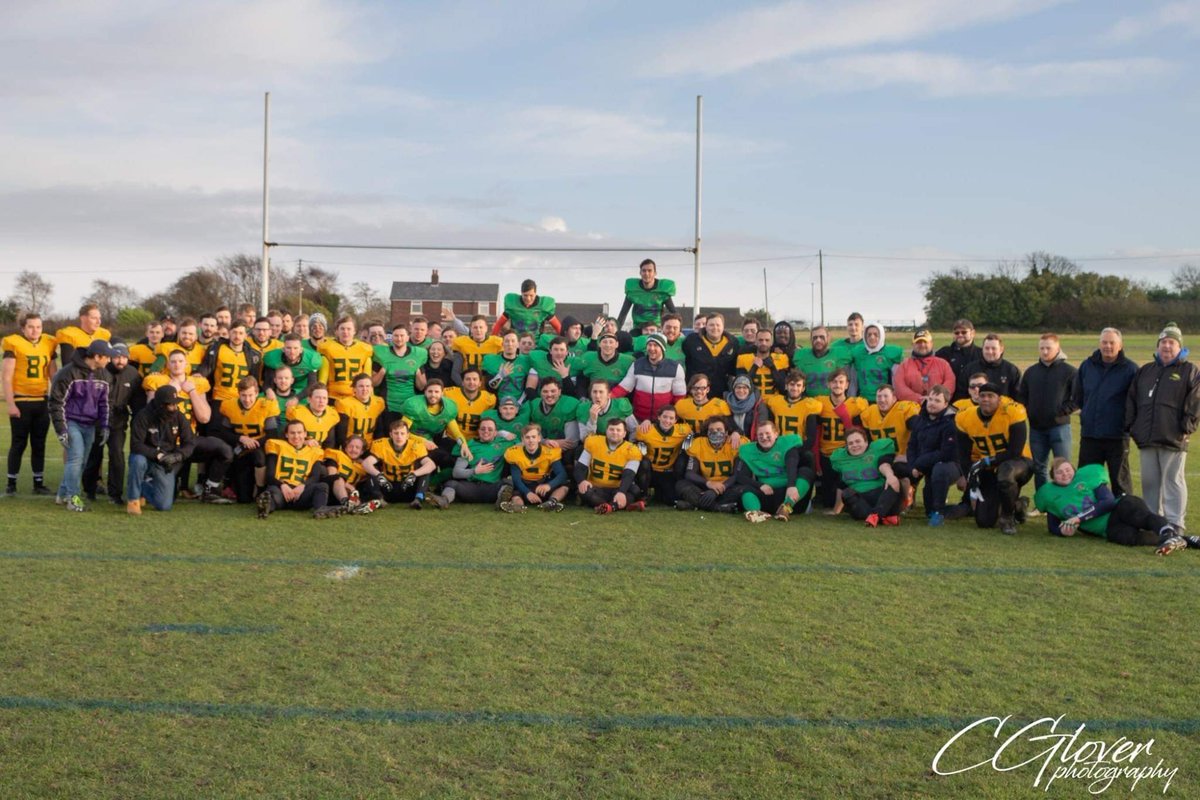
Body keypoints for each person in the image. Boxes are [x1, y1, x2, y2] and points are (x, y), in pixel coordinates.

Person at [1125, 322, 1200, 532]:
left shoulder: (1189, 370)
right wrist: (1132, 426)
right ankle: (1154, 522)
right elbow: (1132, 399)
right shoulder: (1146, 371)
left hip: (1173, 437)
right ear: (1158, 345)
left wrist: (1187, 427)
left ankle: (1175, 523)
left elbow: (1196, 401)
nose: (1167, 346)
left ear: (1179, 347)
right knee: (1150, 483)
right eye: (1164, 342)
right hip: (1147, 437)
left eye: (1172, 343)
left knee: (1173, 482)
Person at [1035, 459, 1195, 555]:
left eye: (1067, 470)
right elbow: (1052, 525)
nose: (1065, 474)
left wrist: (1079, 518)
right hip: (1107, 529)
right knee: (1131, 538)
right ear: (1053, 477)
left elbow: (1108, 501)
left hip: (1119, 508)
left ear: (1074, 471)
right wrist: (1061, 532)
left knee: (1140, 516)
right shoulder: (1050, 496)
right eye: (1059, 472)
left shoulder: (1087, 478)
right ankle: (1183, 540)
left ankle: (1167, 533)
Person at [953, 383, 1034, 535]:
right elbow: (963, 455)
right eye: (983, 396)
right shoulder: (965, 417)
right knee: (984, 521)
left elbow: (1014, 451)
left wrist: (986, 461)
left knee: (1006, 471)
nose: (986, 399)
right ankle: (1017, 505)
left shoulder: (1012, 412)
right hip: (989, 469)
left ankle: (1007, 518)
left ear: (999, 399)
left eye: (991, 396)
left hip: (1020, 463)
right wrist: (971, 479)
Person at [48, 339, 112, 511]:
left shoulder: (104, 375)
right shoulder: (67, 373)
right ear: (97, 357)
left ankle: (62, 494)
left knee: (82, 462)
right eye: (107, 357)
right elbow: (56, 402)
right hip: (71, 421)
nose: (109, 361)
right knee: (76, 459)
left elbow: (104, 404)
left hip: (89, 424)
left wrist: (105, 426)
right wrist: (62, 430)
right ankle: (73, 499)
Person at [1072, 328, 1137, 496]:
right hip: (1090, 435)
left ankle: (1124, 517)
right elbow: (1078, 396)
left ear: (1120, 345)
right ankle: (1086, 517)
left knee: (1119, 481)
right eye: (1104, 342)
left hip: (1117, 436)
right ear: (1099, 344)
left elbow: (1136, 401)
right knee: (1086, 480)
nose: (1108, 346)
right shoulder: (1087, 366)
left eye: (1112, 342)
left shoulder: (1130, 369)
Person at [4, 313, 57, 496]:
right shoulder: (13, 343)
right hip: (22, 400)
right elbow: (6, 377)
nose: (35, 330)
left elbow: (53, 373)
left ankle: (38, 483)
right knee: (18, 443)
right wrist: (10, 404)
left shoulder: (49, 342)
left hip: (41, 400)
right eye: (31, 327)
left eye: (38, 327)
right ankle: (11, 483)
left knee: (39, 443)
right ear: (23, 328)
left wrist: (56, 397)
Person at [1018, 333, 1078, 490]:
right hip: (1036, 429)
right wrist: (1029, 411)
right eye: (1041, 348)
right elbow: (1022, 396)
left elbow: (1078, 397)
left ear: (1058, 348)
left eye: (1048, 348)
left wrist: (1062, 411)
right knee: (1039, 468)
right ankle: (1042, 503)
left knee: (1064, 467)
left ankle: (1065, 502)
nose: (1045, 352)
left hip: (1059, 428)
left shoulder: (1069, 371)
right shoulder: (1031, 372)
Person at [82, 341, 140, 504]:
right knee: (94, 456)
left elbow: (137, 401)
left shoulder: (133, 374)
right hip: (97, 420)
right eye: (116, 356)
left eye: (124, 357)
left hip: (118, 422)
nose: (120, 360)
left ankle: (115, 493)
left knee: (117, 456)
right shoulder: (100, 370)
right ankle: (89, 489)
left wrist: (137, 418)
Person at [126, 385, 195, 514]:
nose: (175, 408)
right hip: (145, 457)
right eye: (171, 405)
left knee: (164, 505)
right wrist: (157, 454)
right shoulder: (143, 416)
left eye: (176, 404)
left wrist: (178, 456)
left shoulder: (179, 417)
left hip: (165, 461)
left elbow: (190, 443)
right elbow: (136, 445)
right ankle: (133, 499)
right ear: (161, 405)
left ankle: (142, 486)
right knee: (138, 461)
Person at [258, 419, 347, 519]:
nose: (296, 436)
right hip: (281, 491)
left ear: (305, 434)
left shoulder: (315, 452)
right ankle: (266, 507)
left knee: (322, 486)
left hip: (301, 494)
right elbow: (270, 475)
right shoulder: (277, 446)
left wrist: (303, 486)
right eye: (292, 433)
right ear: (286, 435)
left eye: (299, 432)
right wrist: (282, 485)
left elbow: (315, 476)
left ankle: (320, 509)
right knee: (272, 492)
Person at [899, 385, 960, 526]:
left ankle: (940, 513)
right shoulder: (921, 419)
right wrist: (913, 465)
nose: (932, 403)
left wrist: (920, 463)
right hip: (926, 465)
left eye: (937, 401)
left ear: (946, 404)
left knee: (940, 469)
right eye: (930, 399)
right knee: (928, 509)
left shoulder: (951, 423)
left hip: (950, 465)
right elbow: (912, 445)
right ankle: (901, 504)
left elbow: (946, 453)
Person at [212, 375, 277, 502]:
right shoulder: (230, 406)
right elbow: (224, 432)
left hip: (260, 447)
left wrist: (254, 442)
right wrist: (241, 438)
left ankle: (261, 490)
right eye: (243, 395)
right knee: (244, 499)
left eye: (251, 395)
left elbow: (272, 434)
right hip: (240, 448)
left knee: (259, 456)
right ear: (238, 394)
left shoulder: (266, 406)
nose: (247, 399)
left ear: (257, 393)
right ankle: (229, 484)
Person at [737, 420, 815, 523]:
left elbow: (792, 464)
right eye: (760, 434)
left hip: (790, 495)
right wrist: (760, 485)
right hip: (767, 493)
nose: (764, 437)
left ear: (776, 434)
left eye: (767, 433)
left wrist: (791, 486)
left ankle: (786, 508)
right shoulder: (748, 450)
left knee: (806, 472)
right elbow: (741, 477)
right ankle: (756, 512)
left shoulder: (786, 443)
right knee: (746, 489)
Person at [814, 369, 869, 509]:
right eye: (834, 382)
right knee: (828, 501)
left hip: (846, 455)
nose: (837, 385)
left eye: (841, 382)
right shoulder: (820, 402)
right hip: (826, 455)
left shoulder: (856, 404)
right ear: (828, 385)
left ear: (847, 385)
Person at [360, 418, 437, 509]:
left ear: (408, 435)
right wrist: (379, 475)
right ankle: (379, 499)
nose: (399, 437)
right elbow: (366, 463)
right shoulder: (381, 445)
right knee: (371, 472)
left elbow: (431, 465)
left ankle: (418, 499)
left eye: (402, 433)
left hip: (407, 487)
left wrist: (414, 474)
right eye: (396, 433)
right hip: (388, 487)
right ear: (390, 435)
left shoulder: (416, 446)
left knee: (425, 472)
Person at [830, 427, 901, 526]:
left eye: (858, 441)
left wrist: (890, 475)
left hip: (881, 496)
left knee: (894, 481)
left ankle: (876, 515)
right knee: (847, 493)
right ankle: (880, 518)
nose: (854, 445)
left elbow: (885, 464)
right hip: (860, 500)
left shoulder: (877, 450)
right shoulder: (840, 458)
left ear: (866, 442)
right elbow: (840, 485)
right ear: (846, 446)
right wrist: (836, 510)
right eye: (850, 443)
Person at [432, 418, 509, 508]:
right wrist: (475, 471)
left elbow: (524, 443)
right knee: (451, 483)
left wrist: (504, 433)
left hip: (492, 488)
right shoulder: (469, 446)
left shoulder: (504, 444)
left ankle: (502, 503)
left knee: (507, 483)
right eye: (483, 429)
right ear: (478, 431)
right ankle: (444, 500)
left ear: (496, 432)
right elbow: (456, 473)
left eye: (490, 429)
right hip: (472, 488)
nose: (486, 431)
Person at [611, 333, 686, 423]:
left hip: (663, 421)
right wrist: (606, 398)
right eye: (649, 345)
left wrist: (673, 418)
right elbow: (624, 387)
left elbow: (680, 397)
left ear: (662, 348)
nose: (651, 348)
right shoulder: (637, 364)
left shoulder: (675, 368)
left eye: (655, 345)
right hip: (639, 418)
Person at [576, 418, 644, 513]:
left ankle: (608, 507)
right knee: (584, 490)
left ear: (624, 434)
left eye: (618, 430)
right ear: (606, 431)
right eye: (611, 429)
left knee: (635, 490)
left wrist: (621, 492)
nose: (614, 432)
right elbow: (580, 466)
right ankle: (617, 506)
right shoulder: (594, 442)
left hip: (617, 488)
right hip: (596, 487)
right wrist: (582, 481)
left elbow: (629, 474)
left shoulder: (632, 450)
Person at [401, 380, 470, 468]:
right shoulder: (414, 406)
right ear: (425, 392)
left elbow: (456, 433)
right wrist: (423, 441)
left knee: (447, 460)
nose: (433, 395)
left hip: (432, 443)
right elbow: (401, 433)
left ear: (442, 393)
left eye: (436, 392)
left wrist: (463, 444)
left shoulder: (448, 409)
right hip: (410, 442)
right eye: (430, 391)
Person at [675, 416, 739, 512]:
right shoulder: (699, 444)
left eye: (719, 429)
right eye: (711, 430)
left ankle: (694, 504)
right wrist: (708, 483)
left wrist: (720, 488)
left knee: (742, 490)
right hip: (705, 485)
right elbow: (690, 473)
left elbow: (737, 475)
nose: (715, 432)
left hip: (727, 486)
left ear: (726, 432)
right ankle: (718, 507)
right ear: (707, 432)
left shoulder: (734, 443)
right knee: (681, 484)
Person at [373, 323, 427, 427]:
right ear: (391, 337)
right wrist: (382, 371)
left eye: (402, 335)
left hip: (410, 405)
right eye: (396, 336)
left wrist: (417, 374)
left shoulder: (418, 354)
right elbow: (374, 383)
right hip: (389, 405)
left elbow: (421, 386)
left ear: (407, 337)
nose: (399, 338)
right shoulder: (382, 354)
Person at [635, 404, 690, 506]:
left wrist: (684, 448)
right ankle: (643, 494)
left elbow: (691, 435)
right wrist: (647, 421)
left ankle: (661, 493)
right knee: (643, 462)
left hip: (667, 472)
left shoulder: (683, 430)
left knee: (669, 499)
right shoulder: (646, 430)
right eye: (665, 417)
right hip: (649, 472)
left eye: (671, 418)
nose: (667, 421)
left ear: (675, 420)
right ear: (659, 417)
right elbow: (636, 446)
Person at [200, 321, 262, 404]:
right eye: (234, 332)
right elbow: (206, 369)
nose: (237, 336)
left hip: (241, 401)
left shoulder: (253, 355)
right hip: (219, 399)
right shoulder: (217, 349)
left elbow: (254, 380)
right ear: (229, 333)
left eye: (241, 333)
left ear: (245, 336)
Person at [516, 377, 580, 453]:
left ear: (559, 392)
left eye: (553, 391)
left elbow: (572, 442)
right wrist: (545, 442)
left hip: (562, 451)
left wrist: (546, 443)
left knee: (569, 455)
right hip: (540, 449)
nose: (549, 395)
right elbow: (529, 436)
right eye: (545, 391)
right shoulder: (533, 406)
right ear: (540, 393)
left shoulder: (569, 404)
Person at [682, 313, 739, 395]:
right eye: (711, 325)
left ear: (723, 327)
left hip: (722, 393)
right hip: (697, 393)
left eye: (718, 325)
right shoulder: (692, 341)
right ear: (706, 326)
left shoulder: (733, 343)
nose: (715, 328)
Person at [318, 316, 374, 400]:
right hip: (333, 396)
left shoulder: (364, 349)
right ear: (336, 331)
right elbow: (322, 379)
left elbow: (367, 379)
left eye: (349, 329)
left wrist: (370, 398)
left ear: (354, 331)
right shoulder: (327, 347)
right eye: (342, 329)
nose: (345, 332)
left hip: (356, 397)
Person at [759, 370, 821, 443]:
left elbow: (811, 438)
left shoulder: (809, 405)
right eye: (792, 384)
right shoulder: (775, 402)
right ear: (786, 386)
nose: (795, 388)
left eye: (798, 385)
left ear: (803, 388)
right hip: (778, 445)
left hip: (798, 447)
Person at [616, 259, 677, 334]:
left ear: (655, 273)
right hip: (639, 328)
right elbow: (623, 313)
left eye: (649, 270)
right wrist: (616, 332)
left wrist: (679, 330)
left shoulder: (662, 290)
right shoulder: (633, 290)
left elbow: (674, 313)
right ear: (640, 273)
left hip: (656, 328)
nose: (646, 273)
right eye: (644, 271)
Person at [894, 329, 955, 403]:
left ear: (931, 343)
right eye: (918, 342)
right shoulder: (904, 365)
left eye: (925, 342)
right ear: (913, 344)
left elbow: (950, 383)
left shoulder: (943, 364)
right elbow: (899, 388)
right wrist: (919, 399)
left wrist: (935, 399)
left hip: (939, 407)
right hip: (911, 408)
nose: (922, 345)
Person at [323, 435, 379, 513]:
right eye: (351, 446)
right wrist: (348, 486)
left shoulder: (362, 467)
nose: (353, 449)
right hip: (331, 490)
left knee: (356, 493)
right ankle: (347, 503)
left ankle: (357, 507)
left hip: (349, 493)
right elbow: (332, 476)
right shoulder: (337, 454)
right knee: (339, 479)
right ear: (345, 448)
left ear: (362, 451)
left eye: (357, 447)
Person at [793, 326, 852, 397]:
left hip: (831, 402)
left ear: (828, 338)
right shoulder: (802, 355)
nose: (818, 340)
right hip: (809, 402)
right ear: (811, 340)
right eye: (815, 337)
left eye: (822, 337)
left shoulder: (838, 354)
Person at [572, 332, 633, 400]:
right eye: (604, 342)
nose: (608, 345)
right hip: (594, 400)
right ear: (599, 344)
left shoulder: (628, 361)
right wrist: (582, 397)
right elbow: (581, 381)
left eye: (611, 342)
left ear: (617, 344)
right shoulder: (589, 357)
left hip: (616, 402)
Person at [852, 321, 904, 400]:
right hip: (863, 400)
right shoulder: (858, 352)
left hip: (883, 400)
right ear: (864, 337)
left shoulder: (892, 352)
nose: (872, 337)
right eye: (869, 335)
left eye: (876, 334)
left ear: (882, 336)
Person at [263, 333, 325, 398]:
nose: (292, 352)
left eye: (295, 348)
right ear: (283, 349)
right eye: (288, 348)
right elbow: (268, 381)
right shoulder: (273, 358)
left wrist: (297, 398)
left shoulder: (311, 359)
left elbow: (312, 385)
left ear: (301, 349)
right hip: (279, 389)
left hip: (302, 390)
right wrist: (268, 390)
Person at [936, 319, 983, 402]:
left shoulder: (981, 354)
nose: (960, 335)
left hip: (975, 402)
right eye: (957, 333)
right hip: (949, 401)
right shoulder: (943, 353)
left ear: (973, 333)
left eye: (964, 332)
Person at [493, 278, 559, 336]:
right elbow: (499, 324)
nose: (528, 298)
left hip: (535, 344)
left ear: (535, 293)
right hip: (517, 344)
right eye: (525, 295)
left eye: (531, 295)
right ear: (521, 293)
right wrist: (492, 340)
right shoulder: (512, 305)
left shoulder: (544, 306)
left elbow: (557, 327)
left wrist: (564, 342)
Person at [444, 368, 496, 440]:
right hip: (452, 439)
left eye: (475, 379)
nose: (471, 382)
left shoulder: (489, 399)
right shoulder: (449, 393)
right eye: (468, 379)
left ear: (480, 383)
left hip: (475, 441)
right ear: (462, 382)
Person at [333, 373, 386, 446]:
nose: (364, 389)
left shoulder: (378, 402)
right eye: (361, 386)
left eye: (367, 386)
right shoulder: (345, 404)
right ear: (354, 389)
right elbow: (341, 434)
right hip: (351, 447)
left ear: (371, 388)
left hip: (369, 446)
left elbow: (379, 431)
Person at [962, 334, 1021, 398]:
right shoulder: (969, 369)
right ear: (982, 349)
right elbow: (961, 394)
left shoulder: (1011, 370)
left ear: (1001, 350)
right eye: (987, 348)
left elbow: (1018, 397)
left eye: (994, 348)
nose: (990, 352)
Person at [481, 331, 532, 404]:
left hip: (520, 403)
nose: (510, 344)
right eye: (507, 341)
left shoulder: (525, 361)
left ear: (518, 344)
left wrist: (519, 403)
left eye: (513, 341)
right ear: (502, 344)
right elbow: (490, 388)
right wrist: (500, 376)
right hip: (498, 403)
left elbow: (529, 387)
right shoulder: (491, 360)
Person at [287, 383, 341, 449]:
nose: (321, 401)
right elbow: (286, 437)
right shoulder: (298, 413)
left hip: (318, 454)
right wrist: (304, 442)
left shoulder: (331, 414)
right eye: (318, 397)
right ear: (309, 399)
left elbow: (329, 443)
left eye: (324, 398)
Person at [736, 329, 789, 396]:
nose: (764, 343)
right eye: (760, 340)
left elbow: (783, 388)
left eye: (767, 340)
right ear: (755, 342)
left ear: (771, 343)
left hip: (774, 401)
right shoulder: (743, 359)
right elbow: (741, 387)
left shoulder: (781, 358)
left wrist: (773, 368)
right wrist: (754, 368)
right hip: (752, 401)